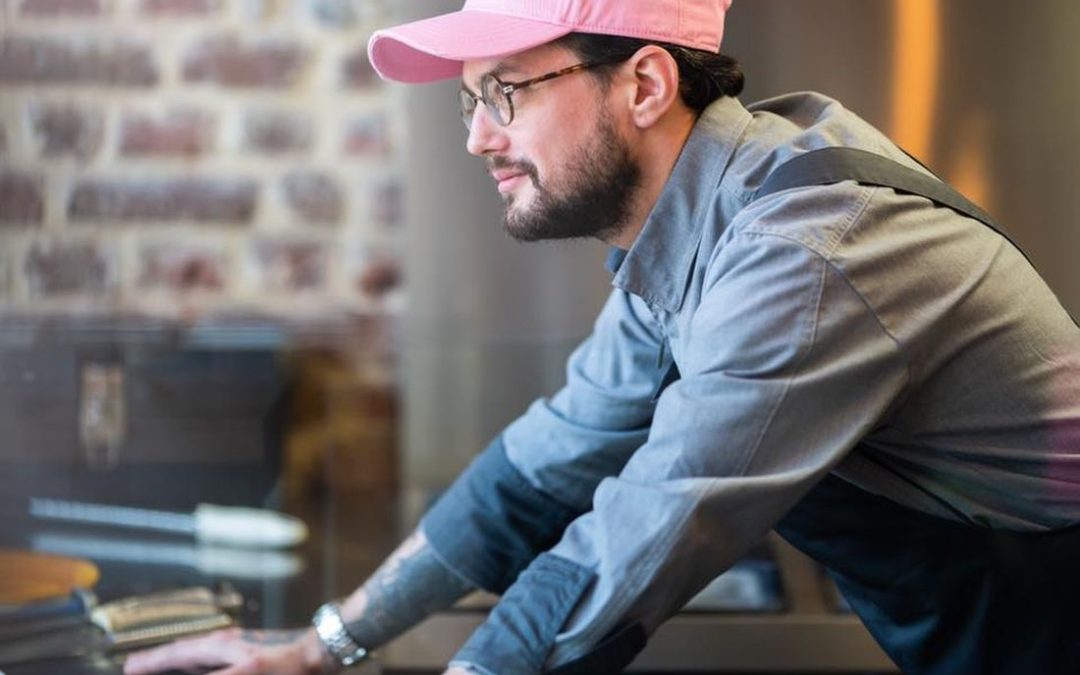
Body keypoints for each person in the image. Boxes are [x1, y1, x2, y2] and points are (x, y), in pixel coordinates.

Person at [124, 1, 1080, 674]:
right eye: (470, 101)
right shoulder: (695, 230)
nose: (477, 139)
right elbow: (540, 469)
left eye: (506, 93)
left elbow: (641, 536)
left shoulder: (806, 251)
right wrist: (318, 646)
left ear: (646, 85)